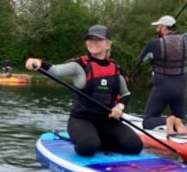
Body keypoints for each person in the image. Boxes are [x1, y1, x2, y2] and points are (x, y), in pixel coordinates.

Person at [25, 25, 143, 157]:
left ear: (108, 44)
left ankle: (98, 142)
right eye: (90, 39)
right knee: (89, 146)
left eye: (98, 39)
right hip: (81, 120)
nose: (93, 42)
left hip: (107, 122)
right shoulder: (79, 65)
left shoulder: (116, 68)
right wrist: (38, 62)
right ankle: (89, 142)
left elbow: (126, 94)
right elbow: (56, 70)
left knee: (135, 146)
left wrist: (119, 107)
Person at [138, 0, 187, 135]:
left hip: (162, 87)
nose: (157, 29)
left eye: (158, 26)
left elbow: (140, 60)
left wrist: (151, 54)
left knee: (147, 121)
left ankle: (168, 120)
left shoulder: (154, 43)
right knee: (181, 119)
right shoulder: (186, 39)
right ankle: (178, 121)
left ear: (164, 27)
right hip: (180, 87)